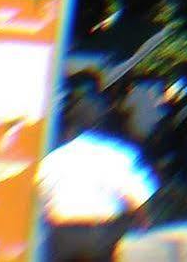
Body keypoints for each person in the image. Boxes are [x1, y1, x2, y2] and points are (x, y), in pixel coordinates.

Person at [37, 98, 158, 262]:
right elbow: (135, 196)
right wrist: (144, 222)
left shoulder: (54, 159)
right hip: (102, 234)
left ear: (70, 128)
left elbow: (41, 198)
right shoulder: (116, 154)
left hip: (62, 234)